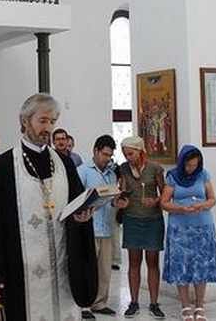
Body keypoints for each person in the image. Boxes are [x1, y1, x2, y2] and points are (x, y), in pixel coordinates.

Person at [0, 93, 97, 320]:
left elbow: (77, 208)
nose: (48, 127)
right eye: (43, 120)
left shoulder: (64, 164)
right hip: (21, 272)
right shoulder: (5, 167)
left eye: (53, 121)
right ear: (25, 121)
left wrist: (83, 220)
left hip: (63, 269)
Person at [161, 145, 216, 321]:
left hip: (203, 226)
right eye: (188, 166)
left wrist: (203, 205)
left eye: (194, 165)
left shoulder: (204, 174)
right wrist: (181, 209)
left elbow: (212, 199)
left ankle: (200, 305)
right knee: (182, 266)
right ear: (182, 163)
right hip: (179, 228)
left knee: (202, 266)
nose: (191, 169)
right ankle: (186, 306)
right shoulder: (172, 176)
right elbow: (164, 203)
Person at [77, 134, 126, 319]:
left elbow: (111, 200)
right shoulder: (83, 171)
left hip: (106, 227)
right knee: (87, 268)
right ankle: (84, 305)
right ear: (95, 151)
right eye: (104, 154)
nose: (107, 159)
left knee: (104, 270)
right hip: (89, 227)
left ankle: (100, 302)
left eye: (110, 156)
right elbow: (76, 200)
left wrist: (118, 203)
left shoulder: (112, 174)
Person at [118, 136, 166, 319]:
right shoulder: (124, 168)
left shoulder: (155, 168)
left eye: (130, 153)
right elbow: (122, 189)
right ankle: (134, 302)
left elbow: (165, 193)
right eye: (125, 154)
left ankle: (154, 303)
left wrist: (155, 201)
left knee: (152, 262)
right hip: (131, 218)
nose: (127, 157)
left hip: (152, 220)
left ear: (140, 151)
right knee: (134, 261)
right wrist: (121, 199)